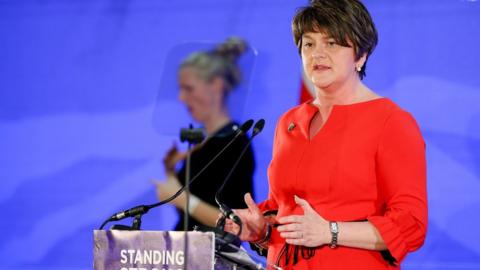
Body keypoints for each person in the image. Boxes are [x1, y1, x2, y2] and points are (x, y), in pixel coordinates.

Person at [224, 1, 427, 269]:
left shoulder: (391, 122)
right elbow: (285, 208)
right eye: (308, 44)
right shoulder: (289, 122)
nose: (317, 54)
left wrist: (330, 231)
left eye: (331, 43)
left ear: (361, 54)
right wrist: (260, 230)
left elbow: (411, 223)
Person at [154, 38, 255, 231]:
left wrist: (183, 199)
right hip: (185, 250)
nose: (181, 98)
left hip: (211, 256)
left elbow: (239, 224)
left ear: (216, 86)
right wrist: (170, 169)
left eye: (189, 88)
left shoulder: (234, 144)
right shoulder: (206, 143)